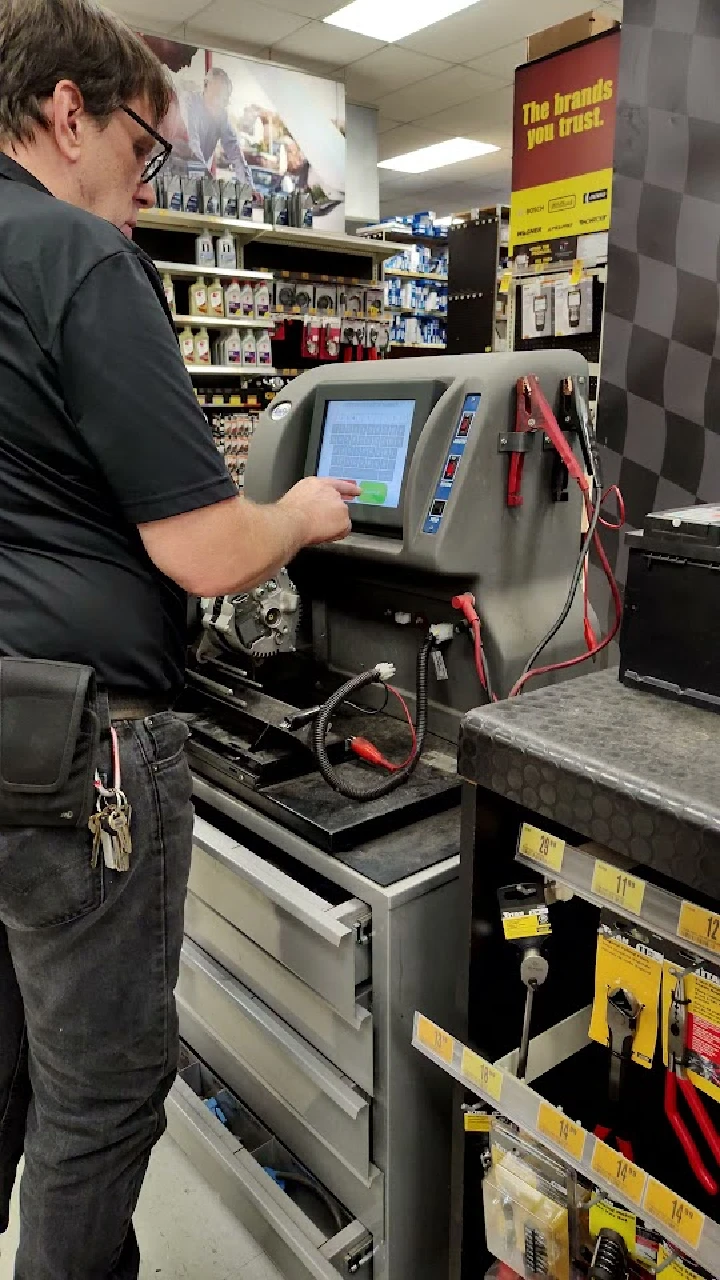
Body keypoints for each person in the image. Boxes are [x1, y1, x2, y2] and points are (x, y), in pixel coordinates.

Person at [0, 1, 359, 1277]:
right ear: (67, 112)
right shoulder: (81, 258)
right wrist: (305, 510)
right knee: (99, 1095)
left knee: (5, 1057)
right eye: (145, 151)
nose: (145, 193)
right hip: (82, 752)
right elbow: (205, 550)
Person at [185, 65, 254, 186]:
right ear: (206, 86)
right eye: (216, 94)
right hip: (176, 172)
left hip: (199, 178)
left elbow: (235, 153)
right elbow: (193, 144)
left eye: (223, 98)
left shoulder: (221, 115)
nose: (218, 102)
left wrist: (248, 187)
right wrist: (206, 176)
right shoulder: (190, 104)